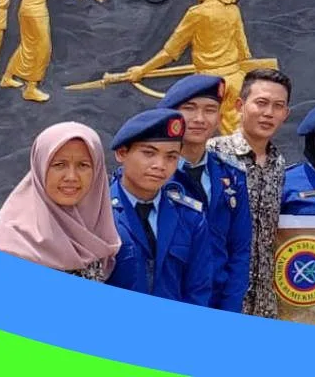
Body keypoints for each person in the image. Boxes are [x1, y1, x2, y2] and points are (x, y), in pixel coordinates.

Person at [123, 0, 258, 134]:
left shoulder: (197, 14)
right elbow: (243, 50)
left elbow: (170, 52)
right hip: (235, 81)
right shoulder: (233, 10)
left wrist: (142, 70)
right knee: (236, 134)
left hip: (208, 84)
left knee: (195, 133)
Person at [159, 75, 251, 312]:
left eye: (210, 110)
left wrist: (231, 307)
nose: (200, 119)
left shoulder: (231, 175)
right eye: (190, 109)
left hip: (219, 303)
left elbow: (239, 250)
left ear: (220, 118)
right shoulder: (153, 176)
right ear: (171, 115)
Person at [208, 68, 292, 318]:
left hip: (264, 301)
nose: (269, 113)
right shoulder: (214, 155)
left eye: (278, 106)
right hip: (220, 295)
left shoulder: (279, 163)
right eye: (261, 103)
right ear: (239, 105)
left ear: (286, 114)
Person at [106, 109, 213, 305]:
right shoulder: (99, 212)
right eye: (149, 153)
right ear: (122, 153)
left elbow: (198, 289)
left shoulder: (190, 217)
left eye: (171, 157)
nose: (160, 165)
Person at [0, 122, 121, 282]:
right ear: (40, 167)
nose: (71, 177)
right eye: (59, 165)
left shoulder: (98, 231)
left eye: (83, 165)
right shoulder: (10, 244)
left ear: (97, 172)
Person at [0, 0, 71, 102]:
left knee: (26, 46)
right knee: (43, 50)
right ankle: (31, 88)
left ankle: (7, 77)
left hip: (25, 12)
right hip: (37, 15)